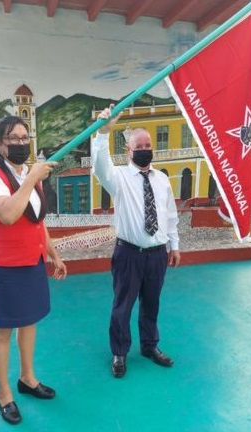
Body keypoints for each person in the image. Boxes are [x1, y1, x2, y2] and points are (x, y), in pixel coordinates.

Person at [0, 116, 67, 425]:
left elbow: (36, 219)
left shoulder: (31, 174)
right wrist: (30, 180)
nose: (20, 143)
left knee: (29, 322)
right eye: (12, 138)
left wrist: (53, 253)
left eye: (24, 137)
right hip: (5, 266)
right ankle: (3, 392)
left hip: (32, 262)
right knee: (3, 328)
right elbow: (8, 214)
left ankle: (27, 379)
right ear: (0, 144)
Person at [92, 105, 181, 378]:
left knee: (151, 302)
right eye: (138, 146)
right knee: (123, 305)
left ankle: (149, 346)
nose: (144, 149)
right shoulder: (118, 178)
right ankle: (119, 352)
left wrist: (173, 245)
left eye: (147, 144)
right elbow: (99, 165)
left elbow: (169, 214)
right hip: (128, 254)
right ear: (129, 152)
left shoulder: (162, 179)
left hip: (156, 255)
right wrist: (103, 133)